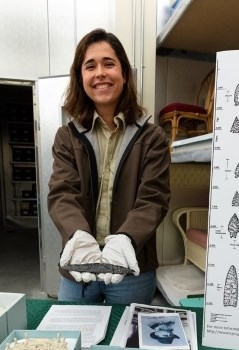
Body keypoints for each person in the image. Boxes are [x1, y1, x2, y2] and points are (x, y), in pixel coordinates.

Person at [48, 28, 171, 304]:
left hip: (131, 269)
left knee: (127, 343)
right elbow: (62, 192)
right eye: (90, 66)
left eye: (109, 64)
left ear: (124, 74)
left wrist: (127, 237)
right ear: (81, 78)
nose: (100, 72)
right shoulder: (67, 137)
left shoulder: (152, 137)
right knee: (73, 341)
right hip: (79, 267)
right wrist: (76, 235)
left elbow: (154, 198)